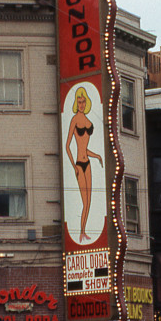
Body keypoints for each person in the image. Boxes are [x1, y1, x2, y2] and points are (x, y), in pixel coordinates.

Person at [64, 86, 104, 242]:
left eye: (83, 101)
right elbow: (67, 145)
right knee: (84, 201)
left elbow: (84, 148)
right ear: (76, 102)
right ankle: (81, 231)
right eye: (79, 101)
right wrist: (74, 166)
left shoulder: (88, 120)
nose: (81, 104)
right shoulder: (74, 119)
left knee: (89, 201)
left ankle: (84, 231)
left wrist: (97, 156)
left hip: (88, 163)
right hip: (79, 165)